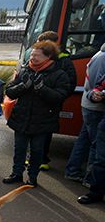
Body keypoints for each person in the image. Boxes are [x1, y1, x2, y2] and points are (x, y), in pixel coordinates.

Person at [3, 41, 71, 187]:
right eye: (32, 54)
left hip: (43, 121)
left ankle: (32, 177)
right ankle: (16, 174)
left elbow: (60, 96)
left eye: (37, 55)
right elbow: (9, 92)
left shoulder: (59, 74)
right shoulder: (24, 70)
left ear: (48, 57)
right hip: (22, 118)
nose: (32, 58)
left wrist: (42, 88)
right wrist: (23, 86)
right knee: (19, 149)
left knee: (37, 150)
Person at [36, 31, 76, 170]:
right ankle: (34, 157)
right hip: (36, 102)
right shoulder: (40, 59)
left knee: (45, 131)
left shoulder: (64, 61)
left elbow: (69, 84)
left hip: (50, 103)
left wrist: (56, 96)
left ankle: (42, 159)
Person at [66, 42, 105, 185]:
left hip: (94, 107)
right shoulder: (102, 58)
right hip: (94, 108)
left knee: (85, 140)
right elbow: (95, 87)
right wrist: (98, 95)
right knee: (96, 144)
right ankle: (90, 179)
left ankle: (73, 170)